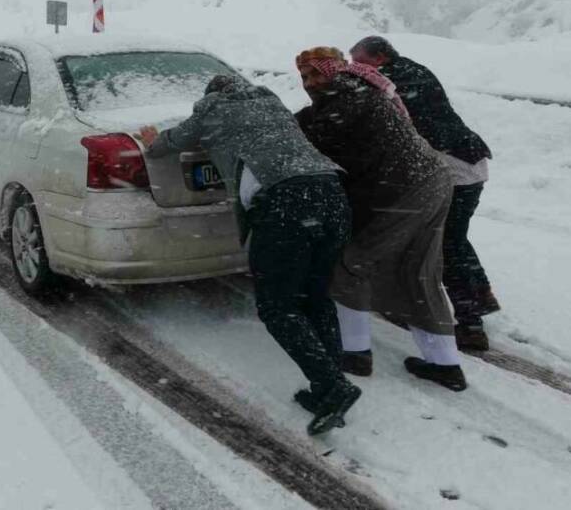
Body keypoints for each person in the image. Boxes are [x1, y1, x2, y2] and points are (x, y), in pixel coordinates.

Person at [138, 73, 360, 434]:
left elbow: (169, 144)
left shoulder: (211, 110)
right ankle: (326, 385)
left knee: (277, 306)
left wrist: (151, 140)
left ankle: (333, 385)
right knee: (316, 296)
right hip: (332, 193)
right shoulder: (273, 105)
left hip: (285, 202)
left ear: (211, 95)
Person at [294, 46, 467, 392]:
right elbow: (316, 124)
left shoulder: (344, 98)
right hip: (431, 180)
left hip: (404, 190)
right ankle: (445, 364)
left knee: (350, 264)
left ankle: (354, 354)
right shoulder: (358, 92)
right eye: (304, 76)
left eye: (316, 73)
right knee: (418, 272)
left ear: (336, 69)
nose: (310, 82)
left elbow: (317, 136)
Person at [350, 36, 500, 351]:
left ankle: (471, 325)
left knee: (445, 244)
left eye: (358, 60)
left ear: (378, 57)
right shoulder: (413, 70)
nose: (354, 67)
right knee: (456, 236)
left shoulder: (391, 80)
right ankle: (481, 295)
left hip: (451, 165)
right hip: (470, 158)